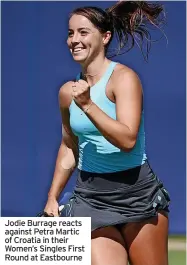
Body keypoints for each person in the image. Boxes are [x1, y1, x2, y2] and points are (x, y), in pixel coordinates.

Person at [44, 1, 170, 265]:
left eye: (83, 32)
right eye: (70, 33)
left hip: (137, 194)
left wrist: (88, 105)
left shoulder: (124, 79)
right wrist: (52, 197)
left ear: (105, 37)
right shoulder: (68, 92)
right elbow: (69, 146)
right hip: (91, 198)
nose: (74, 40)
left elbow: (127, 139)